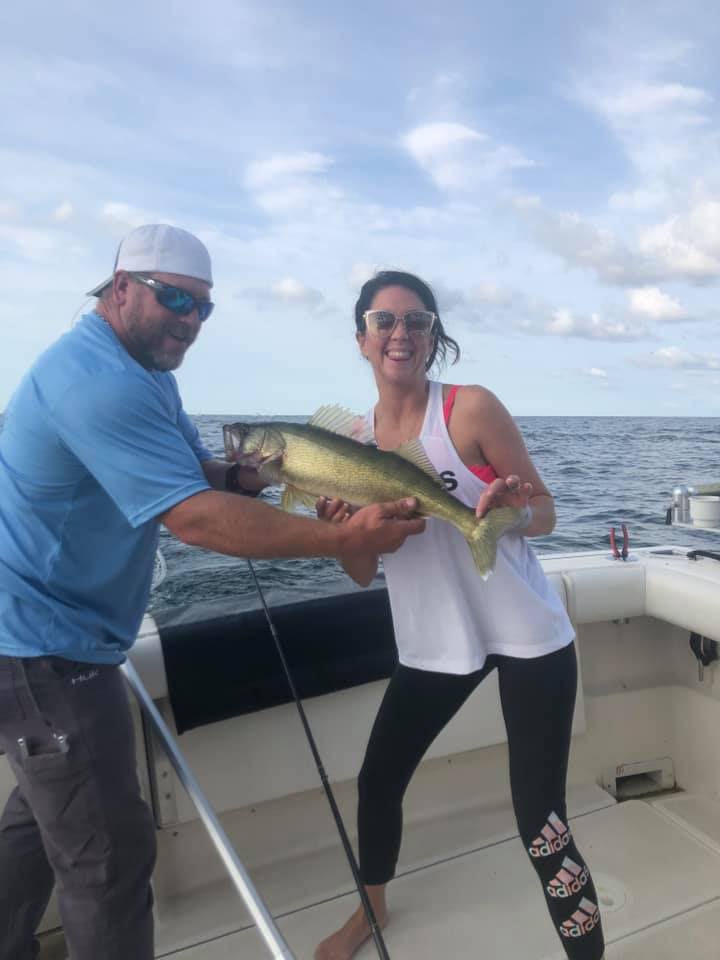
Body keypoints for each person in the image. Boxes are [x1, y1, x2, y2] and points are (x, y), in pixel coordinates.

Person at [0, 226, 425, 960]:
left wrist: (256, 472)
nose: (190, 321)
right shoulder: (94, 382)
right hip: (45, 653)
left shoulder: (145, 374)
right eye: (174, 299)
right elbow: (193, 519)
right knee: (108, 862)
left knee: (41, 819)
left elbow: (194, 472)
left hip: (55, 643)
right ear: (121, 285)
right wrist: (345, 537)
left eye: (204, 308)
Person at [313, 271, 605, 960]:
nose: (400, 334)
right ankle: (372, 911)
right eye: (384, 321)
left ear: (433, 336)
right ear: (361, 339)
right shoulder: (351, 443)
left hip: (529, 635)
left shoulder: (469, 410)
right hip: (435, 641)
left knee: (541, 820)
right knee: (379, 778)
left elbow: (546, 512)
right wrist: (344, 533)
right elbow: (360, 571)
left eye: (417, 321)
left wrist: (508, 513)